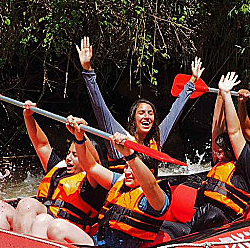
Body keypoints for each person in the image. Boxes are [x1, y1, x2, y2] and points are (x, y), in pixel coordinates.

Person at [45, 118, 171, 248]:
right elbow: (90, 166)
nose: (127, 171)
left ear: (149, 172)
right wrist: (79, 137)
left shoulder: (156, 199)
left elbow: (150, 186)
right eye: (126, 167)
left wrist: (129, 155)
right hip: (97, 246)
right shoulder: (120, 183)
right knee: (44, 220)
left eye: (131, 168)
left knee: (58, 227)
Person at [0, 101, 106, 237]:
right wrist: (28, 117)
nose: (69, 158)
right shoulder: (59, 169)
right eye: (68, 153)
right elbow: (42, 145)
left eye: (76, 155)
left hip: (63, 229)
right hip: (40, 221)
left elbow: (95, 163)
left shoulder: (94, 180)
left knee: (27, 205)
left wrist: (81, 134)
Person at [76, 36, 204, 166]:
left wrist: (192, 82)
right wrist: (88, 70)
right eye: (142, 113)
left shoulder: (157, 139)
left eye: (150, 113)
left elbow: (174, 113)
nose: (147, 116)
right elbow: (100, 108)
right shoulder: (119, 137)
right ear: (133, 118)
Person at [165, 72, 250, 237]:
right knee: (161, 226)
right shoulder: (221, 162)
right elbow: (216, 127)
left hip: (219, 226)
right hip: (195, 224)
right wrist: (220, 94)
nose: (218, 154)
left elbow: (235, 132)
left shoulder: (246, 170)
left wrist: (229, 95)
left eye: (223, 151)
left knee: (212, 216)